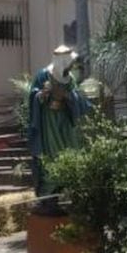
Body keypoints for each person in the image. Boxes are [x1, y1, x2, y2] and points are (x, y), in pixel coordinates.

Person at [27, 44, 91, 200]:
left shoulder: (70, 78)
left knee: (71, 150)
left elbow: (76, 95)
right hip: (49, 123)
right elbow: (33, 96)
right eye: (69, 63)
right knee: (53, 154)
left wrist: (68, 96)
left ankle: (70, 187)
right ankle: (50, 194)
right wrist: (42, 95)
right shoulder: (43, 75)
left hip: (66, 121)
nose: (71, 66)